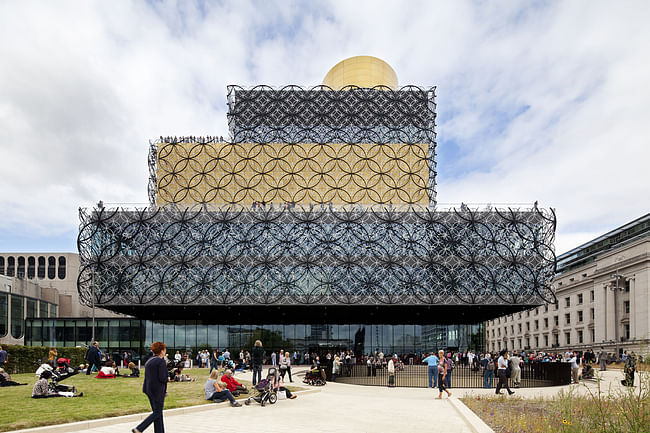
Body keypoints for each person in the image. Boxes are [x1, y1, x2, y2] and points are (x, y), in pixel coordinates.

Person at [132, 342, 169, 433]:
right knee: (157, 412)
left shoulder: (149, 361)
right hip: (157, 391)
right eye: (164, 349)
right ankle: (139, 428)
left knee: (158, 413)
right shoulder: (161, 361)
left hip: (149, 390)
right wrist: (168, 377)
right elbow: (162, 378)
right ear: (161, 351)